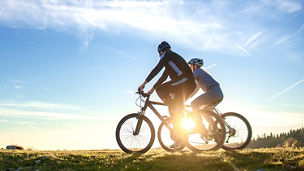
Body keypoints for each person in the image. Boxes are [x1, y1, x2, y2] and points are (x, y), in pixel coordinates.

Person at [138, 41, 196, 147]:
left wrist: (144, 84)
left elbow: (157, 69)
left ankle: (177, 111)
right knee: (173, 109)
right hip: (186, 83)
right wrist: (151, 90)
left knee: (162, 91)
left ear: (160, 52)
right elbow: (163, 77)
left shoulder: (167, 55)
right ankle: (181, 137)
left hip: (186, 81)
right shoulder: (171, 59)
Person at [187, 58, 223, 136]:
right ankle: (215, 130)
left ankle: (199, 126)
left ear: (195, 66)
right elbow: (194, 91)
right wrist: (185, 98)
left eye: (190, 66)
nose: (190, 67)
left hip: (213, 91)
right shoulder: (200, 76)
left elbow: (188, 79)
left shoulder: (198, 71)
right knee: (205, 111)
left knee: (194, 104)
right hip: (218, 93)